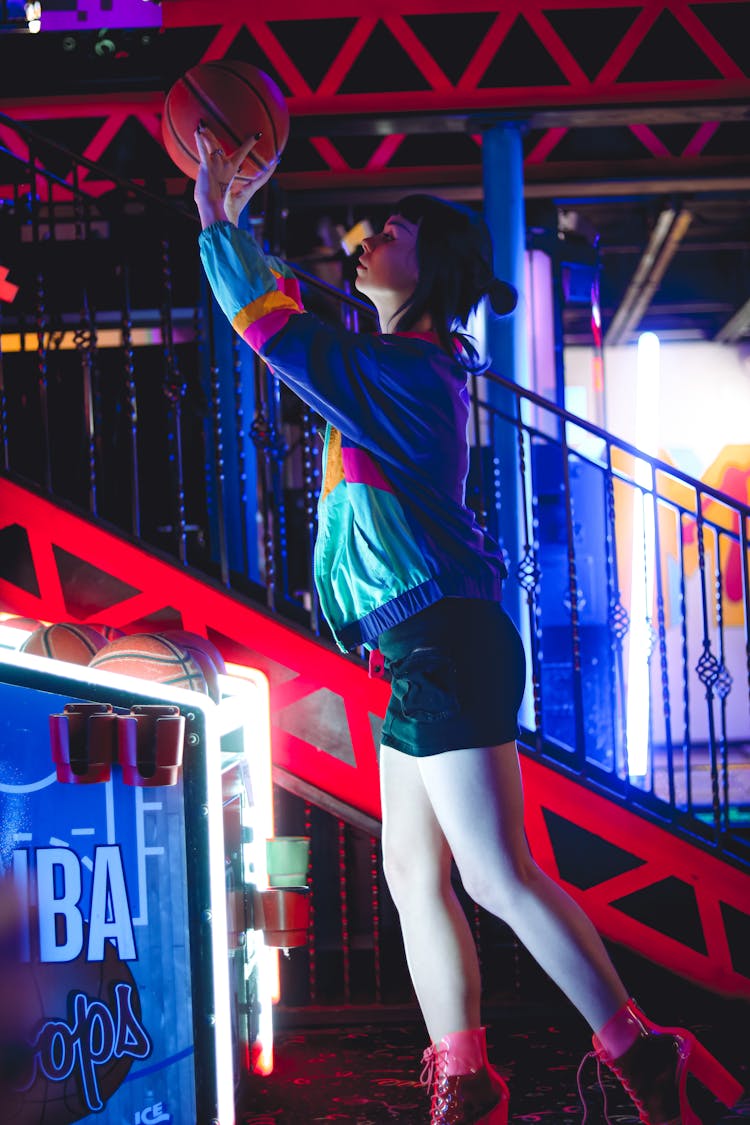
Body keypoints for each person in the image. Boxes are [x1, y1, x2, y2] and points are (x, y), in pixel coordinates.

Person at [193, 124, 743, 1125]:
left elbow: (277, 331)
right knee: (414, 872)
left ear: (430, 265)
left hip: (445, 639)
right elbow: (305, 312)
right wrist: (232, 211)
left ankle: (642, 1048)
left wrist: (216, 215)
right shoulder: (401, 357)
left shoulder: (408, 373)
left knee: (496, 873)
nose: (370, 232)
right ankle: (466, 1077)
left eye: (392, 228)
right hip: (423, 645)